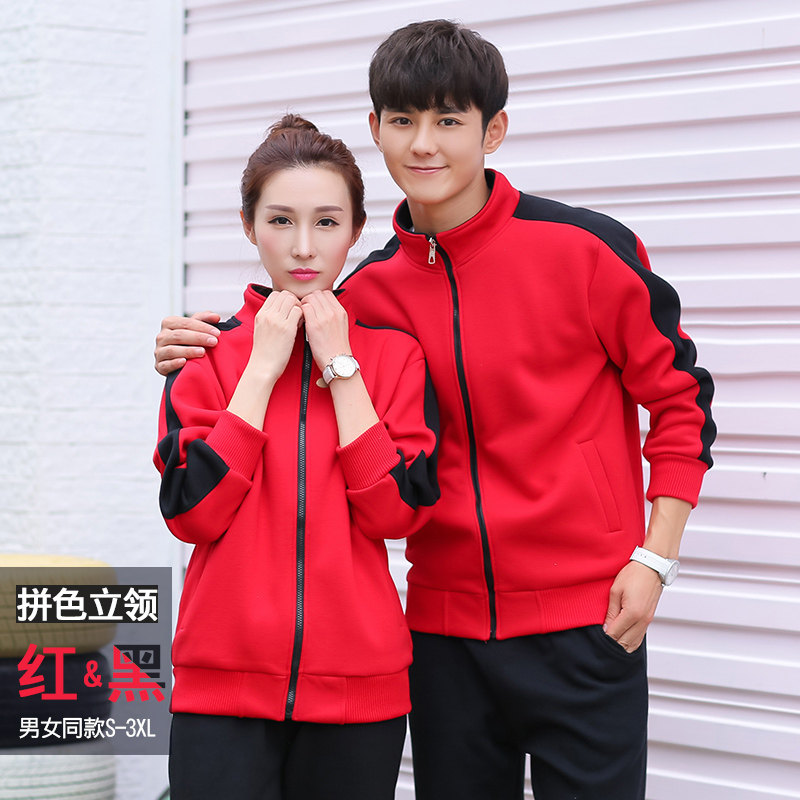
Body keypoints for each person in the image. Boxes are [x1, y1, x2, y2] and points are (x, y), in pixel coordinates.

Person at [155, 20, 716, 800]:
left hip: (587, 621)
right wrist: (199, 339)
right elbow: (288, 326)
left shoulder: (587, 249)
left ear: (493, 130)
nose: (424, 144)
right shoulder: (366, 293)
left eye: (449, 120)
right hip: (442, 636)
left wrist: (655, 559)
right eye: (403, 120)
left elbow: (681, 400)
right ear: (376, 127)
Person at [153, 114, 439, 800]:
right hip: (220, 694)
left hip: (359, 694)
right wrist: (261, 367)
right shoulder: (204, 352)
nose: (304, 247)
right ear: (249, 226)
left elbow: (395, 513)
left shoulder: (395, 357)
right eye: (280, 221)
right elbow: (193, 515)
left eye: (327, 222)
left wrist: (340, 364)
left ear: (356, 230)